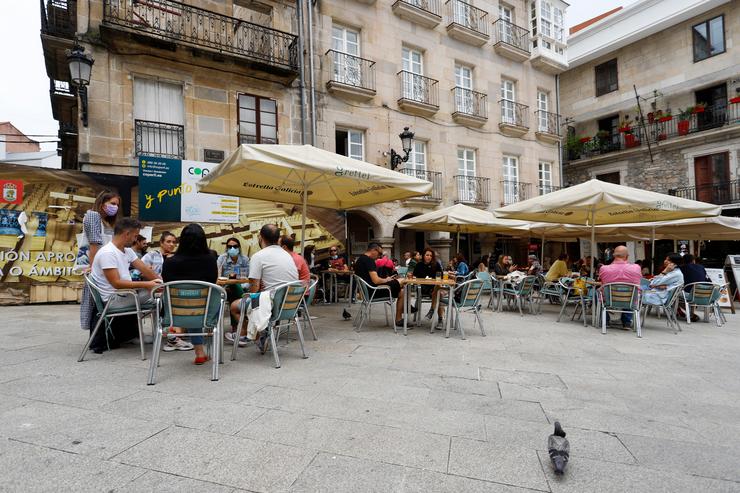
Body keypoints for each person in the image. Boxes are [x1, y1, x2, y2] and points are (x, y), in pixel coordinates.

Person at [89, 217, 164, 351]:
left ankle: (166, 331)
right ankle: (171, 333)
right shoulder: (108, 253)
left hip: (124, 295)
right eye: (135, 236)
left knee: (161, 291)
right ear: (127, 234)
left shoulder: (127, 250)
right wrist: (149, 285)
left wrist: (160, 282)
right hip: (113, 300)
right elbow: (117, 283)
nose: (135, 239)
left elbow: (145, 269)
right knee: (160, 295)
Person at [230, 224, 299, 353]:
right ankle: (261, 332)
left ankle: (256, 337)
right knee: (258, 300)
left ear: (261, 237)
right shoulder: (287, 255)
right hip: (290, 305)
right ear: (278, 239)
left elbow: (254, 288)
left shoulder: (259, 256)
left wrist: (248, 296)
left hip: (273, 305)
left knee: (235, 306)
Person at [161, 224, 218, 364]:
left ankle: (199, 351)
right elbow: (213, 281)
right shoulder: (210, 260)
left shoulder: (169, 262)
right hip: (205, 312)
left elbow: (166, 284)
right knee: (203, 301)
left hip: (175, 312)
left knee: (190, 303)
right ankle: (202, 351)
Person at [79, 190, 122, 333]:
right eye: (112, 203)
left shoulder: (108, 222)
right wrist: (93, 268)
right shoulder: (93, 216)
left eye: (117, 205)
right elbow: (94, 245)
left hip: (107, 265)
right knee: (96, 304)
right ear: (102, 203)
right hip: (97, 265)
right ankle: (97, 337)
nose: (115, 207)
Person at [355, 242, 407, 328]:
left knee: (402, 292)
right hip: (374, 292)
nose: (379, 256)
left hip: (367, 292)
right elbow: (376, 281)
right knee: (402, 280)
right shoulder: (369, 260)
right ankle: (407, 308)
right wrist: (386, 279)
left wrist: (387, 280)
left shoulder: (360, 259)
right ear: (373, 250)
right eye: (379, 254)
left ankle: (399, 318)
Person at [598, 245, 642, 328]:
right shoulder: (636, 268)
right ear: (627, 256)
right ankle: (627, 323)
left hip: (609, 300)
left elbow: (602, 282)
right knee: (630, 294)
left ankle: (605, 321)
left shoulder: (604, 268)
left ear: (613, 255)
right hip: (630, 300)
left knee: (599, 293)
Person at [218, 237, 250, 338]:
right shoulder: (222, 259)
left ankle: (236, 326)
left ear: (239, 247)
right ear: (226, 248)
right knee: (232, 288)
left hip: (243, 287)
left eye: (235, 246)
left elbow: (249, 277)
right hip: (226, 288)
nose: (232, 248)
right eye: (229, 246)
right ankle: (242, 322)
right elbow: (218, 276)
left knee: (234, 290)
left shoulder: (245, 259)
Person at [413, 248, 445, 328]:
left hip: (433, 288)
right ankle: (440, 320)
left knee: (437, 291)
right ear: (423, 256)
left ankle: (432, 311)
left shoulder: (436, 264)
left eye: (431, 255)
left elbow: (440, 277)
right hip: (422, 288)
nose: (429, 257)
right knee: (439, 294)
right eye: (427, 255)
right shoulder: (419, 265)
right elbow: (414, 277)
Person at [679, 254, 709, 322]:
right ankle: (691, 314)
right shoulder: (701, 267)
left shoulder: (682, 268)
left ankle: (690, 314)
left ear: (683, 261)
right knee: (691, 292)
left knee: (674, 295)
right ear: (693, 260)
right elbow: (709, 280)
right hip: (705, 294)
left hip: (691, 294)